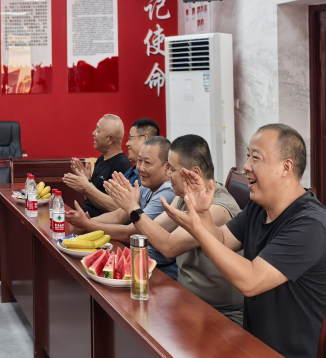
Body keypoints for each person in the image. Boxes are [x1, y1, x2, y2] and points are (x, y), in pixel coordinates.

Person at [161, 124, 326, 358]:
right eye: (248, 156)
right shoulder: (259, 206)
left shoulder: (309, 225)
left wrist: (197, 229)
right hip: (253, 347)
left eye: (255, 158)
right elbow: (222, 240)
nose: (246, 166)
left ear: (286, 167)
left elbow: (251, 281)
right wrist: (202, 213)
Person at [103, 135, 243, 324]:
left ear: (194, 172)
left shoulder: (217, 208)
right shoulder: (183, 197)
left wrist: (133, 209)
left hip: (221, 314)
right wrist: (130, 206)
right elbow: (151, 231)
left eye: (173, 169)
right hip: (186, 300)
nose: (168, 175)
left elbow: (169, 247)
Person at [65, 136, 178, 278]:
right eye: (139, 161)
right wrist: (86, 221)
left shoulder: (167, 192)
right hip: (137, 261)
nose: (141, 168)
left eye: (147, 163)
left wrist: (87, 224)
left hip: (160, 271)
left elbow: (131, 233)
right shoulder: (147, 186)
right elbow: (118, 215)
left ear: (167, 167)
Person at [64, 118, 159, 214]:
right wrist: (87, 183)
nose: (127, 143)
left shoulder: (124, 166)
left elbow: (116, 209)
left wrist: (87, 186)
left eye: (131, 138)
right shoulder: (130, 172)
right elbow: (119, 213)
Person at [62, 114, 133, 218]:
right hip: (86, 218)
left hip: (100, 224)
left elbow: (116, 208)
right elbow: (94, 197)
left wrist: (87, 186)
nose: (93, 133)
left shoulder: (122, 165)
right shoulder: (101, 159)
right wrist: (87, 181)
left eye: (98, 131)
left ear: (110, 139)